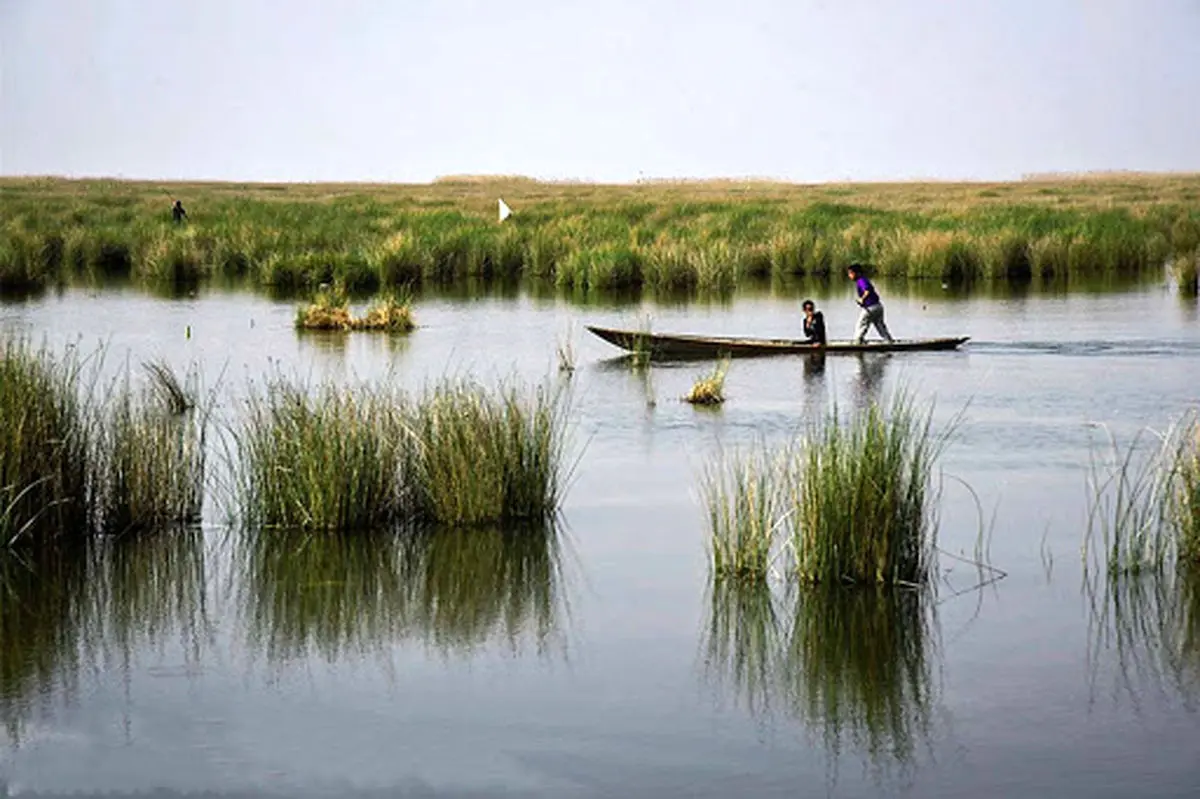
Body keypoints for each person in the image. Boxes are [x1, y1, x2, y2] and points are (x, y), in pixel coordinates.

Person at [847, 263, 894, 344]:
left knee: (862, 324)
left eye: (851, 273)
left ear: (857, 273)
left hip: (871, 308)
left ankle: (858, 342)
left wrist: (862, 299)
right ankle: (888, 341)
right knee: (880, 325)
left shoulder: (861, 280)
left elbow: (867, 290)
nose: (849, 275)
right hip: (878, 306)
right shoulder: (864, 279)